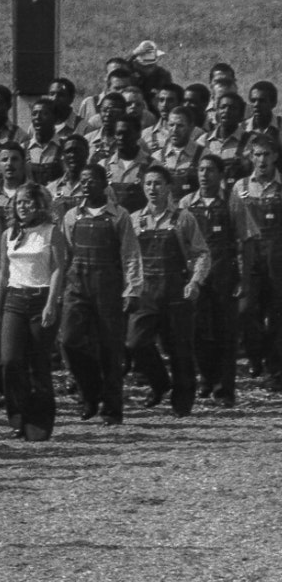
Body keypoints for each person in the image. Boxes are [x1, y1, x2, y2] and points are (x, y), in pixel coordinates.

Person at [60, 164, 142, 425]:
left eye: (92, 180)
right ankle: (90, 393)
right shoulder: (72, 216)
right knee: (69, 341)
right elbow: (66, 254)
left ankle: (112, 409)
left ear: (104, 183)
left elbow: (130, 254)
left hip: (108, 287)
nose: (86, 185)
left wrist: (132, 289)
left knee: (111, 349)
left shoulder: (119, 216)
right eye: (82, 180)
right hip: (77, 285)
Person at [128, 166, 210, 417]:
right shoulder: (134, 220)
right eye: (148, 184)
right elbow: (128, 257)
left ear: (169, 187)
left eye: (158, 183)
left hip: (176, 292)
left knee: (179, 349)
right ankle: (160, 382)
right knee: (134, 342)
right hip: (146, 292)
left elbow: (202, 253)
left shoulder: (184, 218)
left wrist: (195, 282)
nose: (153, 189)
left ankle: (182, 402)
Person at [179, 155, 258, 406]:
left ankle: (225, 390)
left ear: (221, 174)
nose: (204, 174)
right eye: (201, 169)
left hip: (224, 274)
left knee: (226, 333)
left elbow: (248, 239)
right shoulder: (186, 204)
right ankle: (207, 379)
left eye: (210, 170)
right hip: (196, 277)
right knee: (199, 332)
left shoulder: (232, 202)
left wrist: (244, 279)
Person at [0, 185, 66, 441]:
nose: (23, 207)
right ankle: (17, 415)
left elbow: (59, 267)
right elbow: (3, 272)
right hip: (14, 300)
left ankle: (39, 422)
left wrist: (52, 302)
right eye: (19, 202)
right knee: (9, 361)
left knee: (38, 364)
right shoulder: (8, 235)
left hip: (41, 299)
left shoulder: (51, 232)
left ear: (39, 204)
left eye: (28, 202)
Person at [233, 137, 282, 390]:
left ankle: (275, 370)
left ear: (275, 156)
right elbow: (233, 224)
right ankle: (255, 354)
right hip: (249, 258)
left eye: (267, 154)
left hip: (277, 259)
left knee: (276, 315)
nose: (262, 160)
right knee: (245, 310)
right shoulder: (240, 187)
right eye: (257, 154)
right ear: (251, 157)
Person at [98, 113, 152, 213]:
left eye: (127, 133)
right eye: (118, 133)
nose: (122, 137)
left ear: (138, 134)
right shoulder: (103, 166)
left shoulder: (152, 166)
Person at [152, 106, 204, 201]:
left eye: (180, 126)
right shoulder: (157, 157)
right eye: (171, 125)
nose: (175, 130)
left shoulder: (203, 155)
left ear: (191, 127)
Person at [202, 93, 252, 186]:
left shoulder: (251, 141)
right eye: (222, 107)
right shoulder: (203, 141)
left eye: (232, 108)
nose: (227, 111)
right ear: (216, 111)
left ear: (241, 114)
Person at [0, 143, 29, 230]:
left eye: (14, 159)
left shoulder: (36, 192)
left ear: (23, 163)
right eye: (4, 160)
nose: (9, 163)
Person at [47, 136, 90, 221]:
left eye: (77, 151)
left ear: (87, 154)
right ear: (63, 155)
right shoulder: (51, 189)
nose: (73, 155)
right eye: (68, 151)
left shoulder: (99, 187)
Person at [22, 98, 63, 185]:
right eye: (34, 114)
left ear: (55, 118)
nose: (37, 117)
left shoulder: (64, 147)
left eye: (44, 113)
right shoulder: (22, 149)